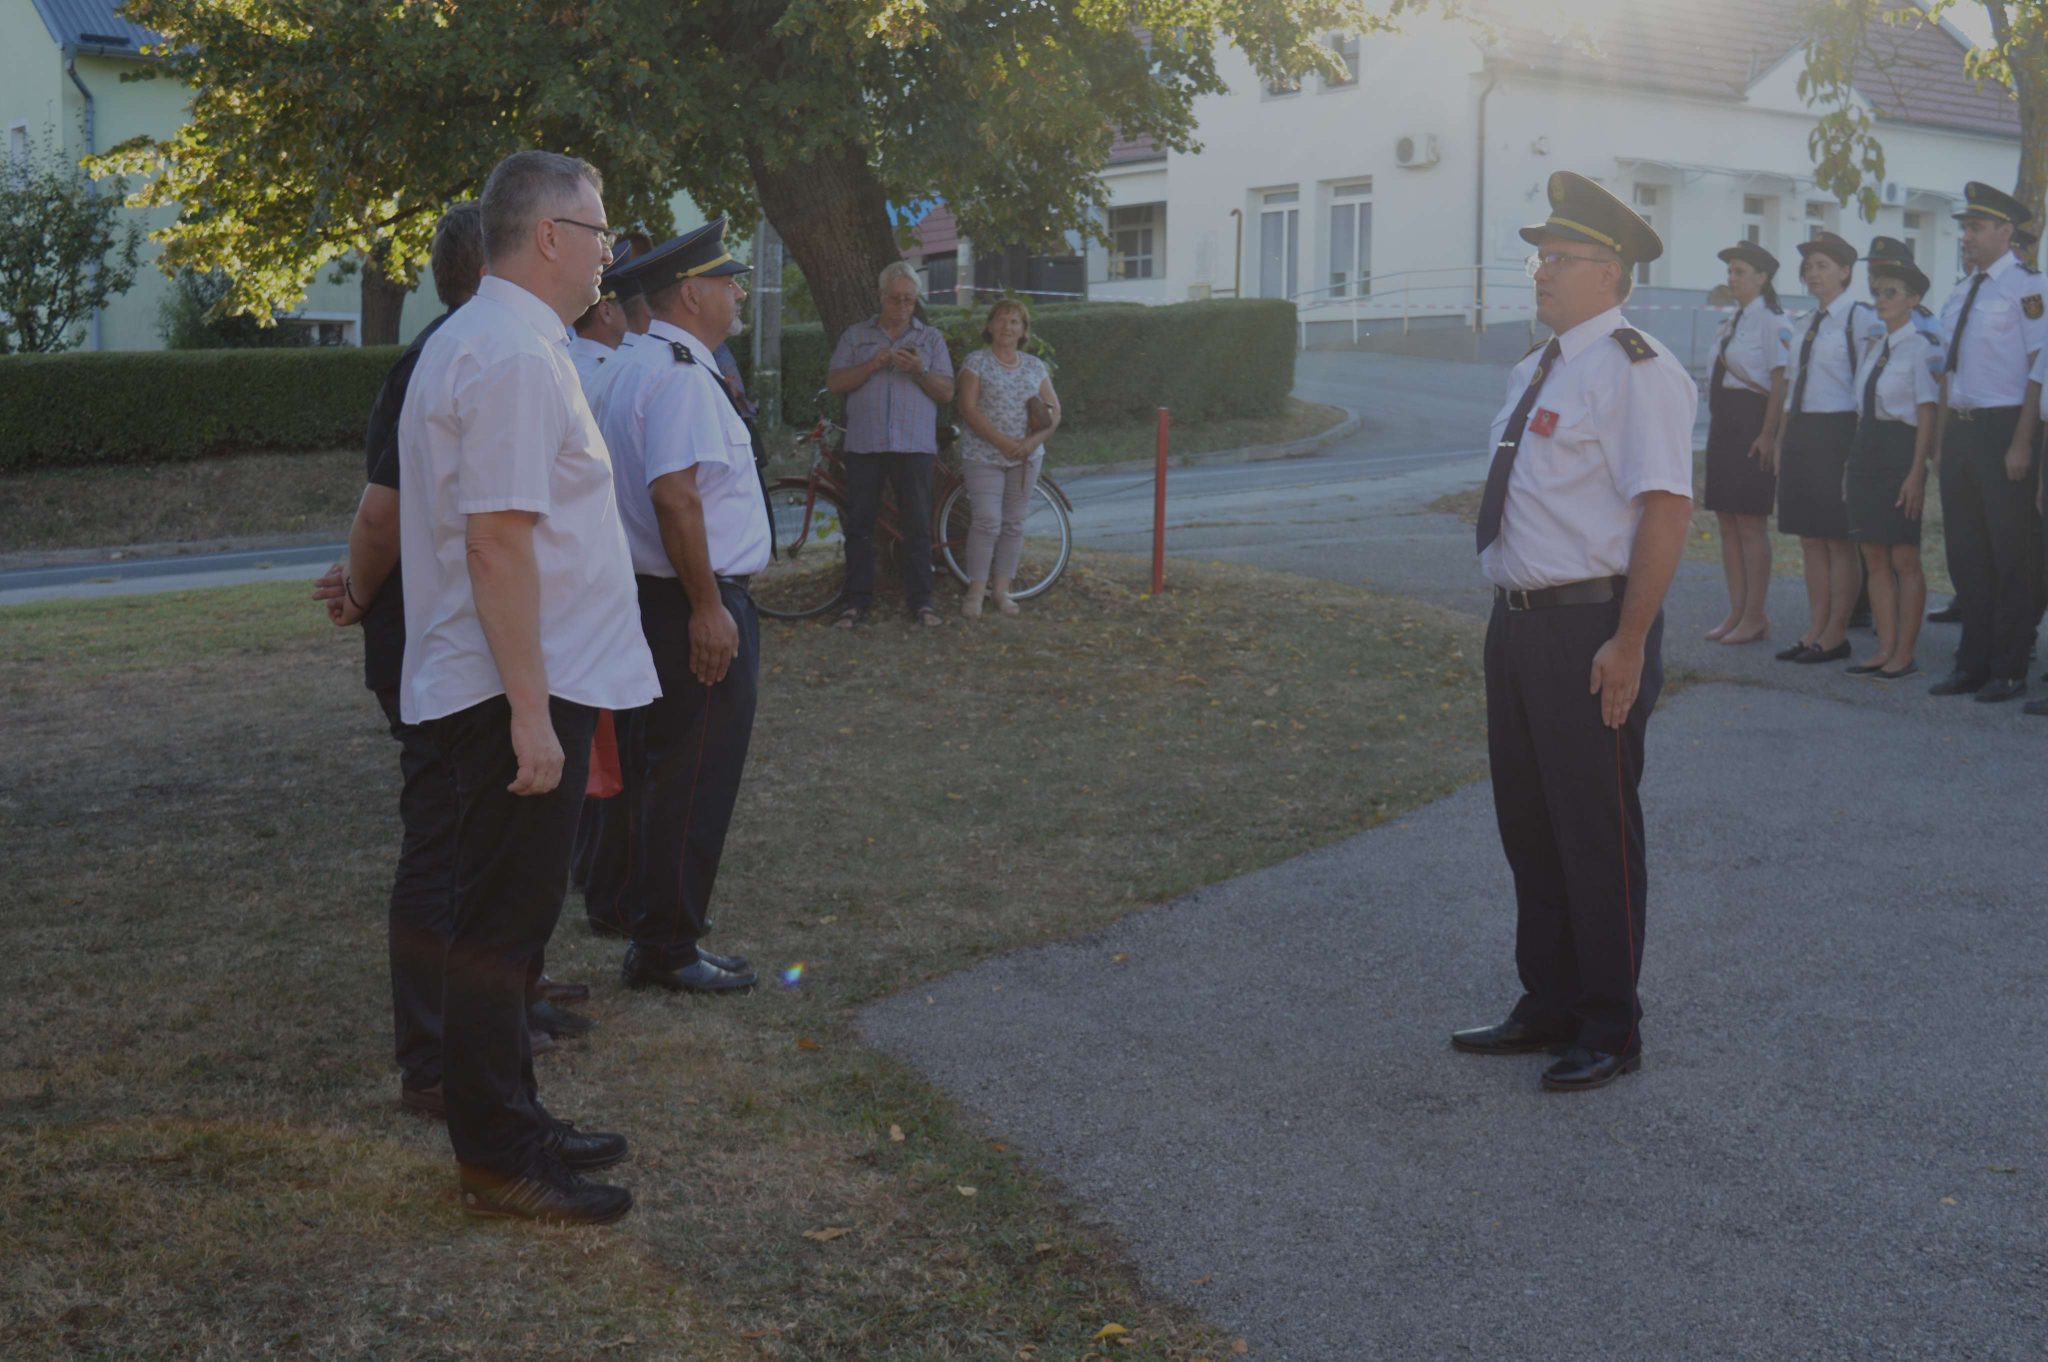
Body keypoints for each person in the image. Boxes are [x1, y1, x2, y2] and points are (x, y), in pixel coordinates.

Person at [397, 150, 659, 1225]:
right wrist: (528, 713)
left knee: (509, 926)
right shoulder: (508, 352)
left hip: (527, 678)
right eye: (600, 232)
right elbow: (496, 543)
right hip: (514, 686)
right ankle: (499, 1158)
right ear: (550, 236)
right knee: (500, 931)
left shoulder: (506, 340)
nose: (609, 252)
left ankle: (514, 1119)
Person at [312, 203, 588, 1118]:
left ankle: (501, 1015)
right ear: (498, 262)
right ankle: (435, 1056)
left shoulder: (489, 347)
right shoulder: (462, 354)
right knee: (446, 844)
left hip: (469, 636)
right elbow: (385, 515)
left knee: (488, 847)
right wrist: (359, 590)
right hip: (439, 644)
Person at [1450, 171, 1697, 1093]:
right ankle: (1548, 998)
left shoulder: (1638, 369)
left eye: (1559, 257)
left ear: (1610, 271)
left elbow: (1666, 510)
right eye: (1539, 258)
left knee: (1594, 828)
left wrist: (1628, 642)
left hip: (1592, 625)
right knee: (1530, 821)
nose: (1541, 272)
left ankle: (1609, 1023)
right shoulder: (1539, 367)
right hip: (1518, 625)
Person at [594, 217, 769, 994]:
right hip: (689, 600)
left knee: (659, 772)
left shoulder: (636, 363)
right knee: (694, 778)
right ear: (692, 295)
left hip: (650, 597)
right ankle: (667, 945)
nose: (738, 295)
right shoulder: (679, 375)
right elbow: (675, 497)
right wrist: (707, 608)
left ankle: (656, 928)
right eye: (728, 283)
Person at [1929, 181, 2047, 703]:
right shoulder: (1961, 291)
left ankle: (2009, 666)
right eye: (1964, 229)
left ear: (2006, 230)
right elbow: (1949, 371)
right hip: (1962, 429)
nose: (1967, 237)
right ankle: (1971, 663)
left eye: (1976, 228)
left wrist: (2022, 443)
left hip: (2005, 430)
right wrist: (1942, 441)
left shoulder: (2028, 289)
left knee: (2011, 553)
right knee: (1966, 552)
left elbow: (2038, 371)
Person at [824, 260, 957, 628]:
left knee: (917, 526)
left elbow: (947, 392)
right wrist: (872, 364)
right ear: (881, 296)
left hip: (914, 445)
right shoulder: (856, 336)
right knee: (860, 526)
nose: (902, 306)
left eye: (909, 300)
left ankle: (922, 602)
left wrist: (919, 371)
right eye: (895, 298)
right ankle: (856, 602)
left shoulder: (930, 338)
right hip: (865, 444)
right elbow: (835, 383)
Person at [1843, 238, 1939, 681]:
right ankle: (1884, 647)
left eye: (1891, 292)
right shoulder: (1875, 346)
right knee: (1873, 555)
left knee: (1904, 558)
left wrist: (1917, 472)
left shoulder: (1922, 347)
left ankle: (1905, 651)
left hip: (1901, 452)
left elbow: (1926, 414)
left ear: (1913, 300)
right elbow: (1862, 410)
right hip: (1867, 450)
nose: (1881, 299)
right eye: (1878, 291)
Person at [1772, 232, 1865, 665]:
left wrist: (1857, 450)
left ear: (1845, 271)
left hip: (1838, 431)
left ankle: (1836, 633)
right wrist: (1782, 439)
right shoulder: (1805, 322)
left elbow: (1865, 388)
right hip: (1803, 431)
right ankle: (1815, 628)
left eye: (1823, 265)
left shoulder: (1858, 319)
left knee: (1837, 539)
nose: (1813, 273)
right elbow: (1792, 389)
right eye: (1808, 267)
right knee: (1810, 537)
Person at [1703, 241, 1792, 646]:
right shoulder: (1733, 320)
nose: (1732, 278)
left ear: (1762, 277)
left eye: (1739, 271)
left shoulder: (1772, 321)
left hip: (1753, 424)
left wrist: (1768, 434)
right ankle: (1736, 612)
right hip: (1725, 423)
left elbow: (1780, 380)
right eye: (1730, 271)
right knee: (1726, 520)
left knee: (1750, 523)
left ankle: (1755, 615)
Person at [954, 297, 1061, 617]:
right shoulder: (976, 362)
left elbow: (1055, 412)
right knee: (987, 521)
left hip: (1026, 457)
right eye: (1001, 319)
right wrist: (1001, 442)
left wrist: (1032, 443)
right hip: (983, 454)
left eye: (1015, 321)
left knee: (1013, 524)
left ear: (1024, 331)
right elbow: (968, 409)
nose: (1007, 326)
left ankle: (1001, 592)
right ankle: (976, 592)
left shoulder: (1035, 366)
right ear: (989, 326)